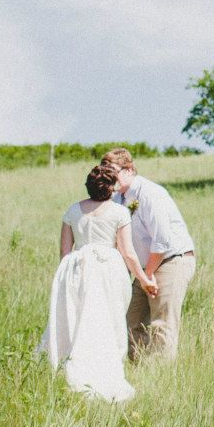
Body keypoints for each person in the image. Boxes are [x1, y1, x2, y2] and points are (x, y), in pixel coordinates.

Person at [37, 158, 158, 401]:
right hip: (107, 271)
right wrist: (144, 279)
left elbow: (64, 252)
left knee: (79, 317)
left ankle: (72, 361)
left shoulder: (72, 210)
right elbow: (128, 253)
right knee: (108, 318)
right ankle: (103, 365)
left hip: (78, 269)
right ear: (111, 187)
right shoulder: (119, 212)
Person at [103, 148, 197, 362]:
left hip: (171, 260)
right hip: (145, 267)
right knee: (131, 321)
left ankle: (161, 376)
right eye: (105, 171)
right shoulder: (117, 199)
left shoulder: (150, 193)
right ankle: (140, 370)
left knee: (162, 323)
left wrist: (148, 275)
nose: (109, 177)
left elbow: (162, 241)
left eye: (112, 171)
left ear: (128, 169)